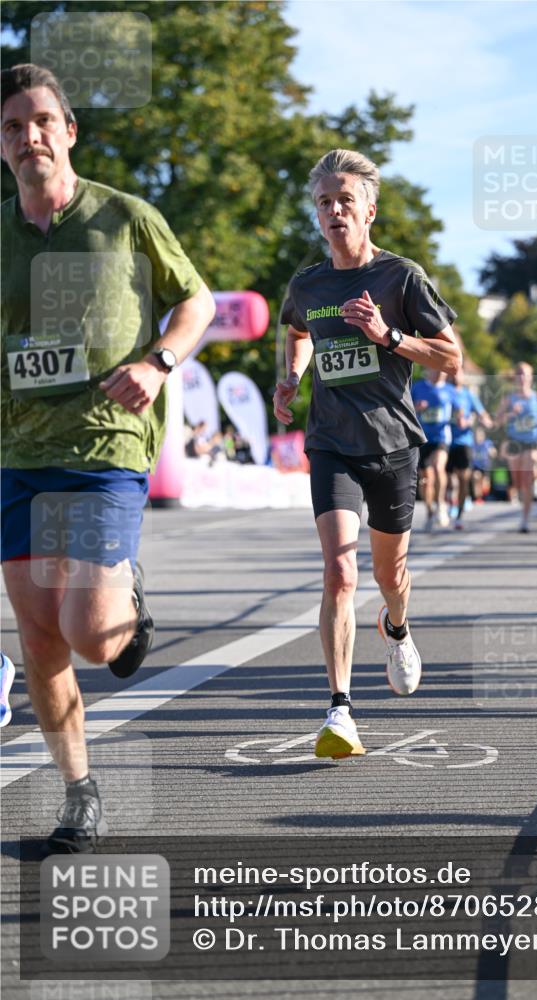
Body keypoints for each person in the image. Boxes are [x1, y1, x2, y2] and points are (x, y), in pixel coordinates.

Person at [0, 64, 215, 852]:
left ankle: (127, 607)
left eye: (42, 122)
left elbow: (196, 299)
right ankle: (78, 792)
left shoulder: (125, 217)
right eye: (14, 127)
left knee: (89, 633)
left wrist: (159, 361)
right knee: (40, 640)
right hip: (17, 451)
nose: (30, 138)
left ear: (69, 131)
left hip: (103, 446)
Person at [273, 148, 460, 759]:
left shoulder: (400, 278)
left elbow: (451, 357)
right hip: (332, 445)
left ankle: (397, 626)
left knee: (390, 577)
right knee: (339, 571)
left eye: (345, 201)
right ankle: (340, 709)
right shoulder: (308, 283)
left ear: (369, 210)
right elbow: (296, 329)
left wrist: (390, 336)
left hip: (394, 446)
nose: (334, 212)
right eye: (324, 203)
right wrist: (290, 378)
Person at [495, 362, 537, 533]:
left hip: (532, 442)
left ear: (531, 377)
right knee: (518, 481)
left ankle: (525, 519)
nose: (522, 377)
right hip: (514, 441)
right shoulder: (509, 399)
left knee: (527, 478)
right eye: (519, 373)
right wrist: (511, 413)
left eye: (525, 373)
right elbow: (497, 421)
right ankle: (523, 502)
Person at [446, 367, 493, 530]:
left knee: (463, 479)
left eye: (459, 372)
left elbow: (483, 415)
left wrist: (481, 420)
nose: (456, 375)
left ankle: (458, 515)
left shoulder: (468, 395)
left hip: (464, 442)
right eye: (453, 372)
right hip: (445, 440)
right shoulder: (444, 391)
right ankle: (445, 506)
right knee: (448, 480)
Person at [411, 366, 453, 530]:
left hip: (442, 437)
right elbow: (406, 410)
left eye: (442, 369)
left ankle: (441, 503)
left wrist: (464, 417)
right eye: (436, 368)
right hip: (422, 438)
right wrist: (417, 407)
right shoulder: (418, 387)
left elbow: (463, 410)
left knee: (438, 466)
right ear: (429, 370)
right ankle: (429, 510)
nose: (440, 372)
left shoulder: (450, 390)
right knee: (425, 479)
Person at [471, 425, 496, 503]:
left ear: (483, 435)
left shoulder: (487, 443)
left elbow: (494, 452)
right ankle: (478, 497)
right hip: (476, 466)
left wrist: (492, 452)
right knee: (476, 478)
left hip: (485, 466)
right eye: (476, 435)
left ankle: (484, 494)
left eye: (480, 435)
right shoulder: (472, 444)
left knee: (485, 483)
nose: (478, 437)